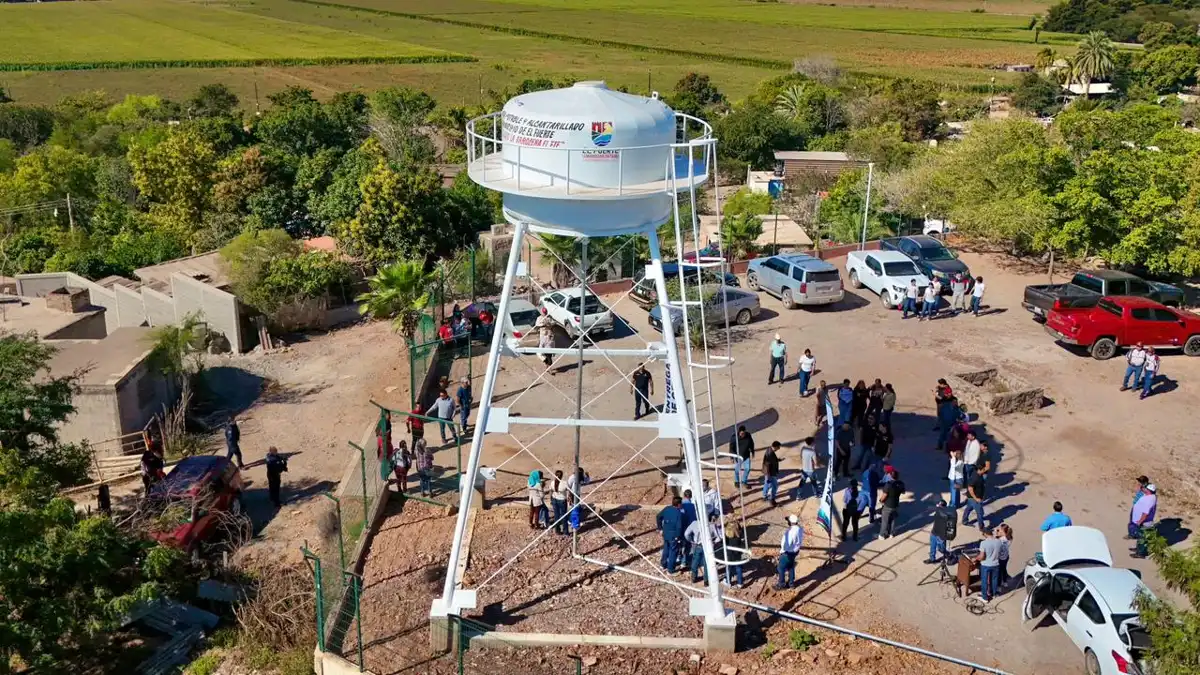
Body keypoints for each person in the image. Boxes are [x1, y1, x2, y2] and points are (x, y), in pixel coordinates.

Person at [685, 513, 721, 583]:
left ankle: (694, 578)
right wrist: (713, 542)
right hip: (708, 546)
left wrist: (691, 540)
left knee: (695, 561)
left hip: (697, 545)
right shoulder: (712, 525)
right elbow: (719, 537)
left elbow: (686, 534)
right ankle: (706, 580)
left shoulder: (695, 523)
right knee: (707, 563)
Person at [1129, 483, 1158, 558]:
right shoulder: (1151, 496)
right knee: (1141, 537)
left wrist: (1139, 521)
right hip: (1143, 521)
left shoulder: (1149, 500)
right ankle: (1138, 549)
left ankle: (1141, 554)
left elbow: (1145, 513)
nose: (1143, 488)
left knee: (1143, 538)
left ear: (1148, 490)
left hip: (1145, 522)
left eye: (1145, 488)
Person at [974, 527, 1003, 603]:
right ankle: (993, 593)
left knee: (984, 581)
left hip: (986, 565)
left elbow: (982, 556)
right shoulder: (999, 541)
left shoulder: (983, 543)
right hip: (996, 564)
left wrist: (975, 558)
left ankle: (985, 597)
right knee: (994, 580)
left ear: (985, 534)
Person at [657, 497, 684, 573]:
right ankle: (671, 569)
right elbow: (679, 526)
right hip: (673, 535)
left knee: (666, 549)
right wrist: (678, 536)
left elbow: (658, 516)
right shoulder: (678, 513)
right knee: (673, 552)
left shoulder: (667, 508)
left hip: (665, 533)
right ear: (678, 504)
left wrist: (660, 528)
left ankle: (663, 565)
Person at [776, 514, 804, 590]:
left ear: (790, 522)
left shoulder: (790, 532)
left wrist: (782, 551)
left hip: (787, 553)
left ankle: (781, 584)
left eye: (788, 521)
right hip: (795, 551)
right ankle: (791, 583)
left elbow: (786, 544)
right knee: (791, 566)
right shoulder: (800, 529)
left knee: (780, 568)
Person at [925, 499, 956, 564]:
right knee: (932, 546)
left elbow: (945, 516)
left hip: (941, 535)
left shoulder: (945, 514)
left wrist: (938, 508)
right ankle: (932, 558)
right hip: (934, 532)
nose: (937, 505)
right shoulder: (938, 511)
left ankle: (949, 555)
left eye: (939, 505)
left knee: (941, 549)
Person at [879, 469, 905, 538]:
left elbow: (884, 495)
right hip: (895, 504)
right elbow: (903, 492)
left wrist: (881, 500)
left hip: (888, 504)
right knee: (893, 519)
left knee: (885, 520)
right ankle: (891, 533)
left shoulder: (888, 484)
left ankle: (882, 535)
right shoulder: (901, 484)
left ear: (891, 476)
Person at [963, 462, 987, 532]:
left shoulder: (978, 474)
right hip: (974, 498)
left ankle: (964, 521)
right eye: (983, 469)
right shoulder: (975, 478)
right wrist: (976, 498)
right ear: (979, 470)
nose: (984, 470)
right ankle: (981, 527)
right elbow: (970, 488)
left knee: (968, 508)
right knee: (980, 513)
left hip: (971, 498)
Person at [724, 523, 747, 589]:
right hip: (737, 555)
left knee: (729, 568)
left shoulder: (727, 537)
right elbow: (740, 530)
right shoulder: (738, 536)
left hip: (730, 555)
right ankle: (740, 583)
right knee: (738, 568)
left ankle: (728, 581)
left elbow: (724, 543)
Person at [679, 489, 698, 568]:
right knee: (688, 545)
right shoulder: (693, 506)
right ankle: (685, 561)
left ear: (684, 495)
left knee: (680, 544)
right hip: (690, 527)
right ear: (691, 496)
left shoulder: (680, 505)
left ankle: (679, 558)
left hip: (681, 527)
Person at [762, 441, 782, 506]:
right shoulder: (770, 454)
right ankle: (772, 500)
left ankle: (764, 496)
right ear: (775, 447)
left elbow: (772, 460)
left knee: (767, 484)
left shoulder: (769, 450)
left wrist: (778, 460)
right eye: (778, 447)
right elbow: (767, 465)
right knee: (775, 486)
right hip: (770, 473)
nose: (779, 449)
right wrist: (768, 476)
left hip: (768, 473)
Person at [550, 470, 569, 535]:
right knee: (564, 516)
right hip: (562, 500)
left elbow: (551, 491)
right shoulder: (564, 483)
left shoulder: (552, 482)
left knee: (556, 516)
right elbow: (569, 490)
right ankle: (565, 532)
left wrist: (551, 499)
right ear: (561, 476)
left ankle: (557, 530)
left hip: (554, 499)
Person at [997, 524, 1013, 591]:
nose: (999, 530)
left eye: (1000, 529)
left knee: (999, 571)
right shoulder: (1010, 538)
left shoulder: (1000, 540)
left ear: (1003, 531)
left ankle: (999, 586)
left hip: (1000, 557)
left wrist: (997, 535)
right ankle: (1005, 582)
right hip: (1006, 556)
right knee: (1004, 569)